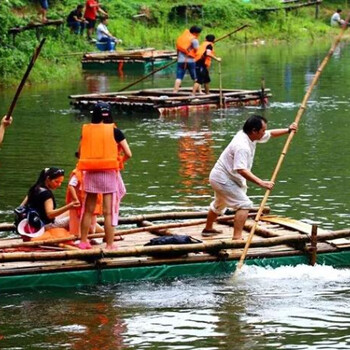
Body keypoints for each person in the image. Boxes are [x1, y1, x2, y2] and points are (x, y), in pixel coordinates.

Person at [202, 115, 298, 239]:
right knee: (245, 204)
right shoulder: (242, 146)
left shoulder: (248, 135)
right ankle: (237, 238)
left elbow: (270, 134)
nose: (264, 133)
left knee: (219, 203)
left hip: (221, 176)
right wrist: (261, 183)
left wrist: (288, 130)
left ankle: (208, 229)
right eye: (262, 130)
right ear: (254, 131)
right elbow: (241, 170)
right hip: (223, 178)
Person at [77, 102, 132, 250]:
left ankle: (83, 241)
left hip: (91, 173)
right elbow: (128, 153)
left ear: (94, 114)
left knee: (88, 210)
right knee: (108, 212)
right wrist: (119, 161)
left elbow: (79, 153)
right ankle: (109, 244)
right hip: (108, 173)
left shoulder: (86, 131)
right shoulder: (116, 132)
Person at [66, 166, 103, 237]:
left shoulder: (94, 172)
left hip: (91, 202)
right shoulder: (78, 172)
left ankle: (91, 237)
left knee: (92, 224)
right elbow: (71, 185)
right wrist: (75, 199)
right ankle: (79, 237)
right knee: (77, 222)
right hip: (80, 203)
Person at [173, 25, 202, 93]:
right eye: (198, 33)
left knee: (179, 77)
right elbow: (198, 50)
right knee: (195, 77)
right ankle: (200, 91)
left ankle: (175, 91)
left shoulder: (181, 38)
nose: (199, 34)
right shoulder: (194, 40)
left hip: (180, 60)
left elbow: (178, 50)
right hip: (191, 61)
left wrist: (178, 58)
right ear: (195, 33)